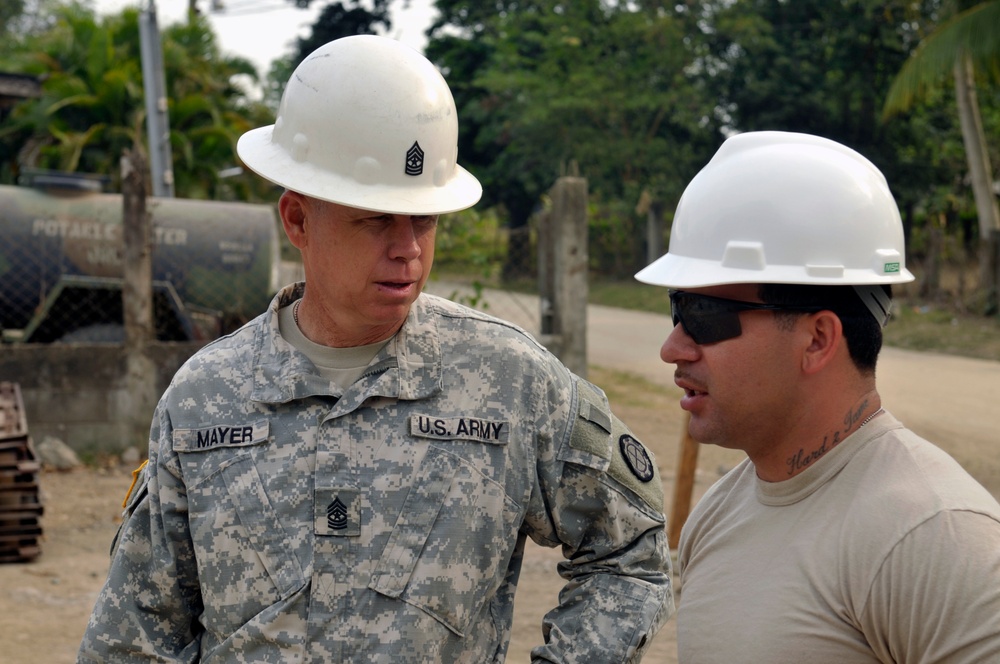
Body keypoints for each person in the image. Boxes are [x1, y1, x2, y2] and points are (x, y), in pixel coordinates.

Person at [78, 35, 672, 663]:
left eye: (424, 220)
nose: (408, 249)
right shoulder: (204, 399)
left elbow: (631, 553)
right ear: (298, 219)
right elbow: (134, 636)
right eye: (375, 219)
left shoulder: (511, 383)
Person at [635, 130, 1000, 662]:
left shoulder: (934, 538)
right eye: (677, 309)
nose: (672, 348)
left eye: (703, 316)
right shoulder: (717, 515)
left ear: (818, 339)